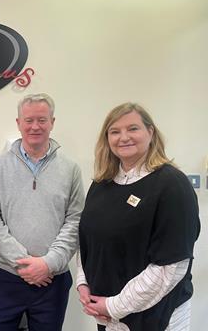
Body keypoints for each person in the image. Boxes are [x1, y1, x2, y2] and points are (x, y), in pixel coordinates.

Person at [77, 102, 200, 331]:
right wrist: (83, 283)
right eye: (115, 131)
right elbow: (87, 242)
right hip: (109, 315)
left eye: (132, 128)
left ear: (150, 132)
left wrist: (116, 305)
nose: (123, 137)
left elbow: (171, 266)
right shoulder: (101, 184)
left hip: (157, 316)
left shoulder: (172, 185)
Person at [0, 93, 85, 331]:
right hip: (6, 278)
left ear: (52, 122)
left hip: (52, 280)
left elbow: (75, 220)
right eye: (28, 120)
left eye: (42, 119)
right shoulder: (0, 166)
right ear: (18, 123)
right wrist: (25, 265)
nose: (35, 126)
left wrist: (48, 263)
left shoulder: (70, 169)